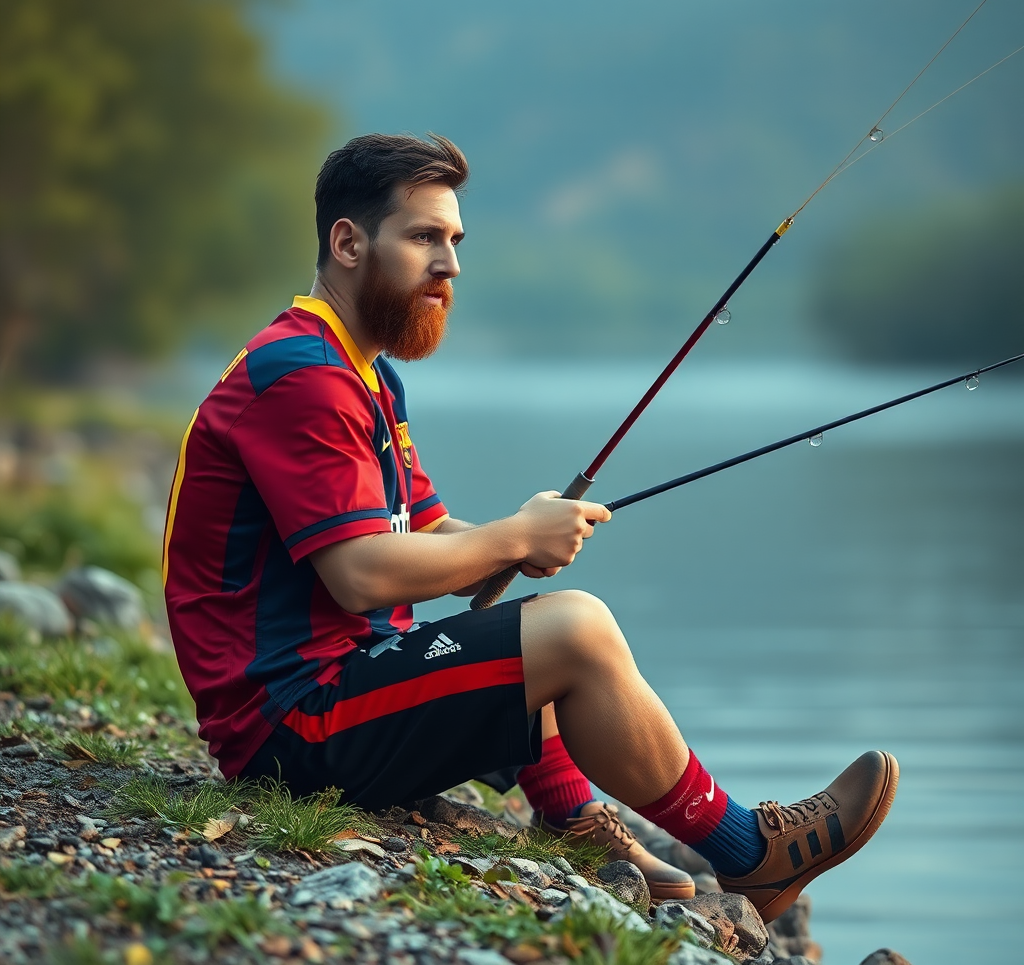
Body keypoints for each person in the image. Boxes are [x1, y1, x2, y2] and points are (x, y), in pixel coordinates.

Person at [163, 133, 898, 922]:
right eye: (422, 238)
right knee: (574, 629)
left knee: (535, 625)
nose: (449, 264)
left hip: (338, 690)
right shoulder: (301, 377)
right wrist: (515, 537)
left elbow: (433, 528)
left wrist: (523, 540)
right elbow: (362, 573)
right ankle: (754, 854)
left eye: (454, 240)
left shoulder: (365, 374)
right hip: (291, 728)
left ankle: (574, 820)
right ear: (348, 242)